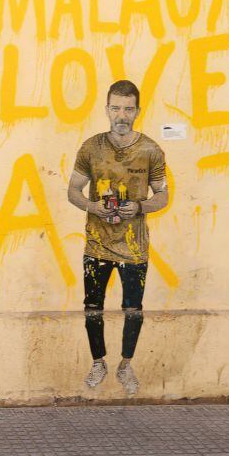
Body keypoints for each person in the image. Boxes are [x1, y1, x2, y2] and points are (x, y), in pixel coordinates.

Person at [67, 81, 169, 395]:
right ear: (107, 109)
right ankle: (99, 363)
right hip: (96, 243)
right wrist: (91, 205)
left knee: (133, 309)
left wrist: (139, 205)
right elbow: (73, 190)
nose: (121, 115)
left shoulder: (151, 149)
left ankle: (126, 365)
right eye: (115, 108)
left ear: (137, 111)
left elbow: (163, 196)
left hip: (134, 246)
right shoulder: (91, 147)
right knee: (93, 307)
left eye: (127, 108)